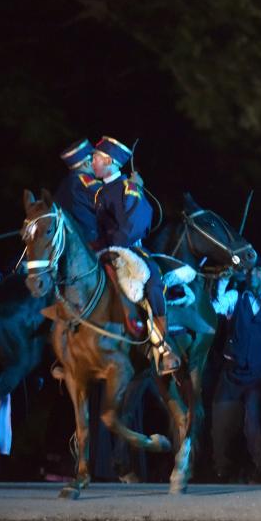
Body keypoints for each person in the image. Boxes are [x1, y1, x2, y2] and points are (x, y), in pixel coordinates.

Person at [92, 135, 180, 375]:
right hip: (105, 249)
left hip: (130, 248)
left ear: (109, 160)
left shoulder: (129, 187)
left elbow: (135, 223)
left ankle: (163, 347)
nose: (92, 162)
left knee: (153, 282)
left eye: (96, 158)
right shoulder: (100, 193)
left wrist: (116, 246)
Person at [211, 256, 261, 483]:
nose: (253, 274)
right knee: (221, 424)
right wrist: (222, 282)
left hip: (260, 374)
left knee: (255, 424)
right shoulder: (236, 297)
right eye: (251, 271)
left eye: (259, 272)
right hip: (232, 372)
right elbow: (215, 306)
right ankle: (222, 470)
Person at [53, 138, 101, 244]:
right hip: (92, 244)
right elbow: (112, 203)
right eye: (95, 159)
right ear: (86, 164)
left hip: (67, 243)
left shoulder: (64, 184)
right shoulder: (87, 183)